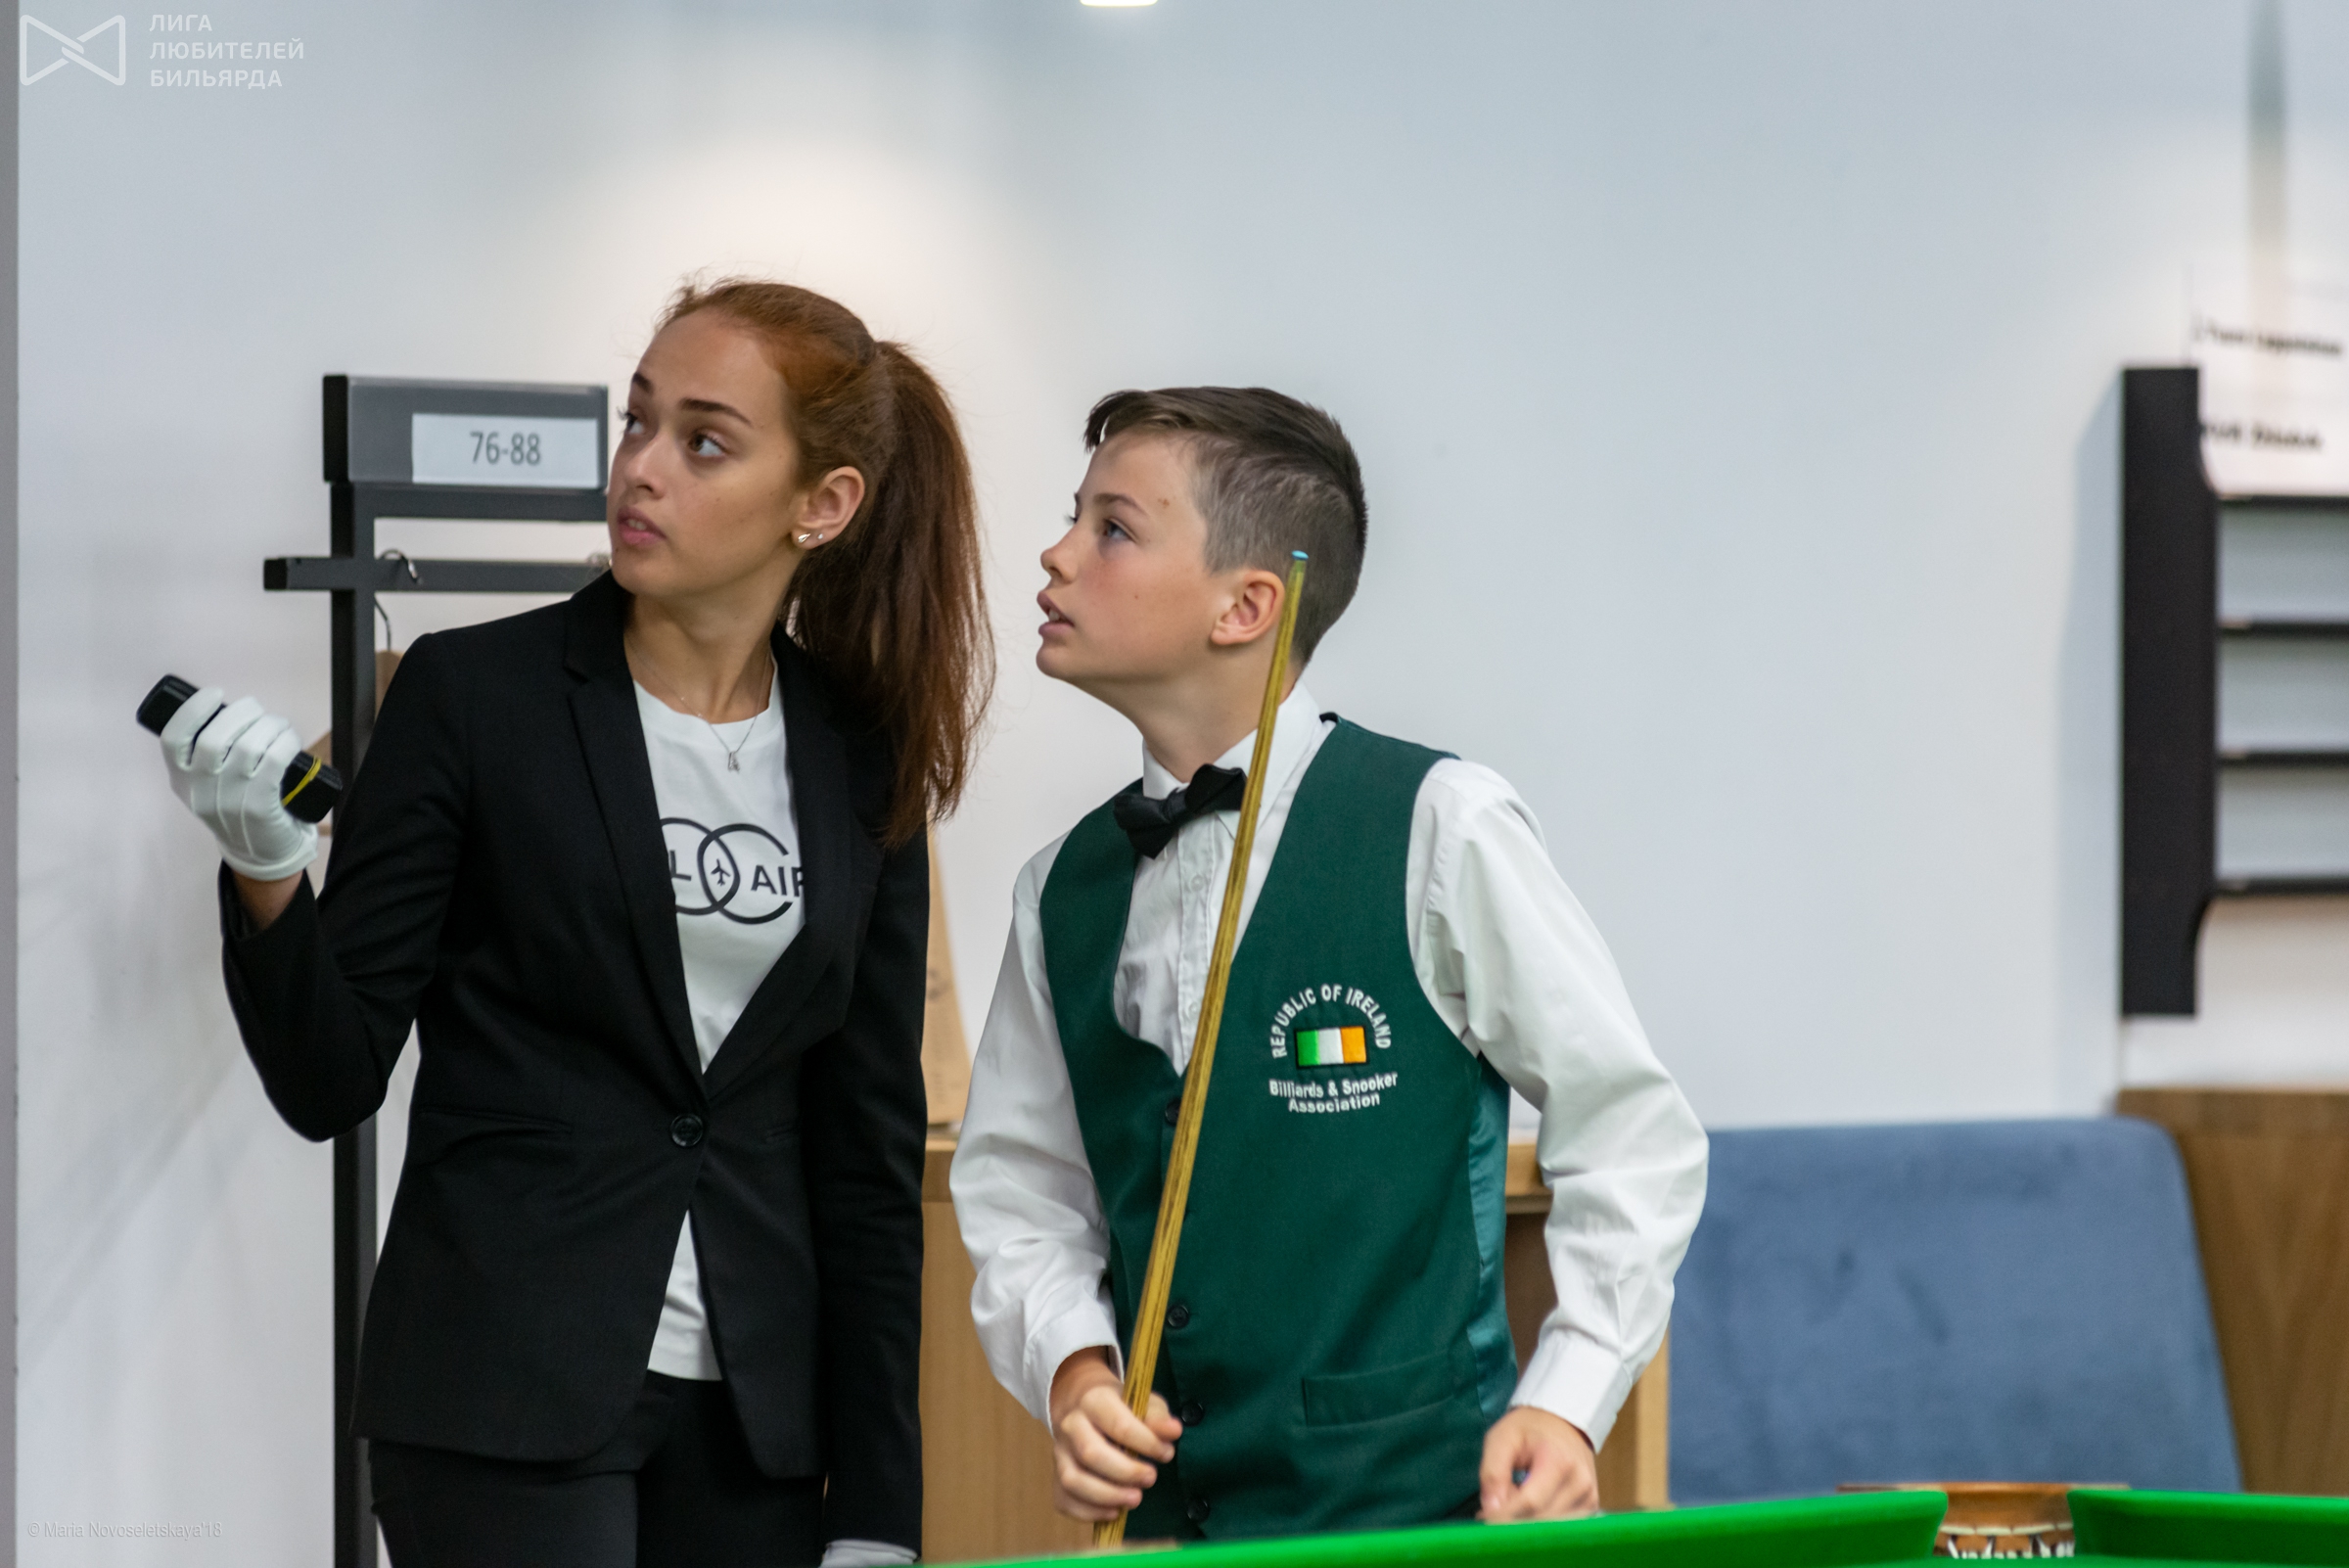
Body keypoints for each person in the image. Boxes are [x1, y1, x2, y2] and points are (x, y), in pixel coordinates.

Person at [158, 279, 991, 1568]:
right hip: (501, 1386)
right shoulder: (472, 695)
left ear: (823, 504)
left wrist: (882, 1506)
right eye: (638, 421)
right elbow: (331, 1075)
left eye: (704, 441)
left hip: (757, 1420)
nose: (641, 467)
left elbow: (866, 1151)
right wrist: (269, 875)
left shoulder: (857, 752)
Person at [949, 388, 1708, 1540]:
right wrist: (1073, 1369)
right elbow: (1022, 1189)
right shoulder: (1058, 890)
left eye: (1113, 528)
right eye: (1075, 518)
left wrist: (1567, 1401)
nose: (1056, 555)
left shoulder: (1441, 823)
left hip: (1422, 1523)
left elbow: (1634, 1134)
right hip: (1169, 1535)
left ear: (1248, 605)